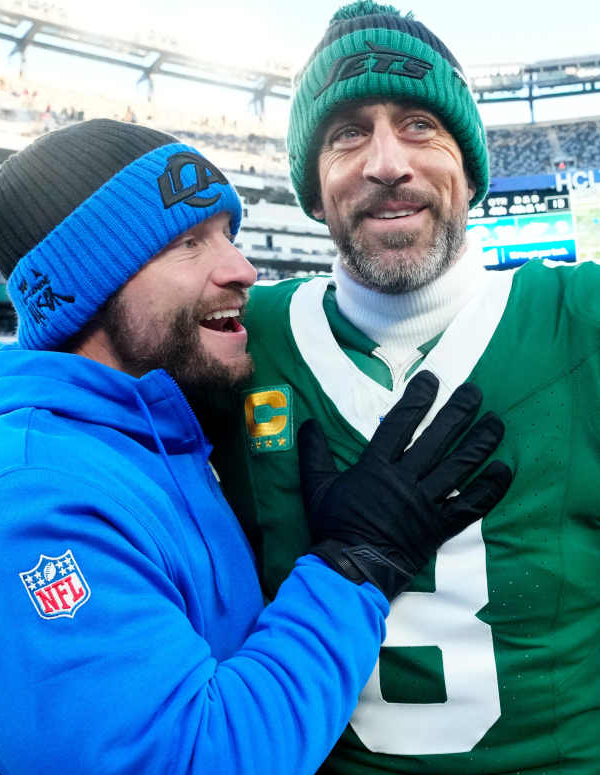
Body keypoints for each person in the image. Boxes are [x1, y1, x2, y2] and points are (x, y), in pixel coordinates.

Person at [0, 119, 511, 775]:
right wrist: (352, 567)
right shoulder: (29, 495)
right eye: (188, 243)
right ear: (86, 290)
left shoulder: (150, 438)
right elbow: (193, 758)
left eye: (227, 236)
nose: (241, 269)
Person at [207, 3, 600, 774]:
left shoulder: (578, 321)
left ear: (471, 168)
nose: (388, 160)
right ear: (312, 188)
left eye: (421, 123)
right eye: (347, 132)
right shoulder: (237, 339)